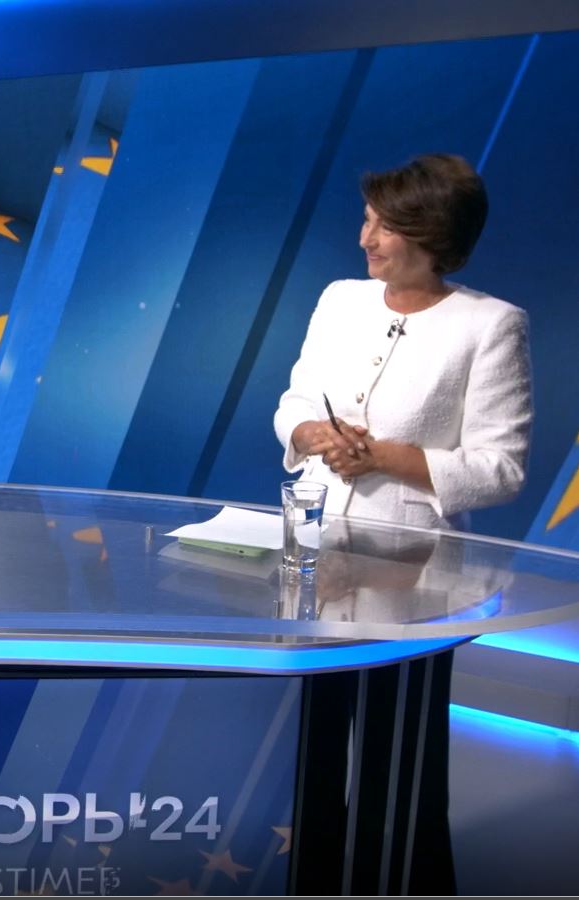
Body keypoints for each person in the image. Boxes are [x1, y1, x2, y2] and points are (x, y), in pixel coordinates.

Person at [274, 153, 533, 894]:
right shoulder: (340, 300)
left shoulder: (490, 326)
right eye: (367, 220)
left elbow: (501, 468)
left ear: (432, 235)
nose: (366, 239)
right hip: (314, 563)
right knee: (314, 750)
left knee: (397, 766)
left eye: (384, 227)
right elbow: (294, 403)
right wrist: (312, 434)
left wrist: (384, 456)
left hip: (414, 583)